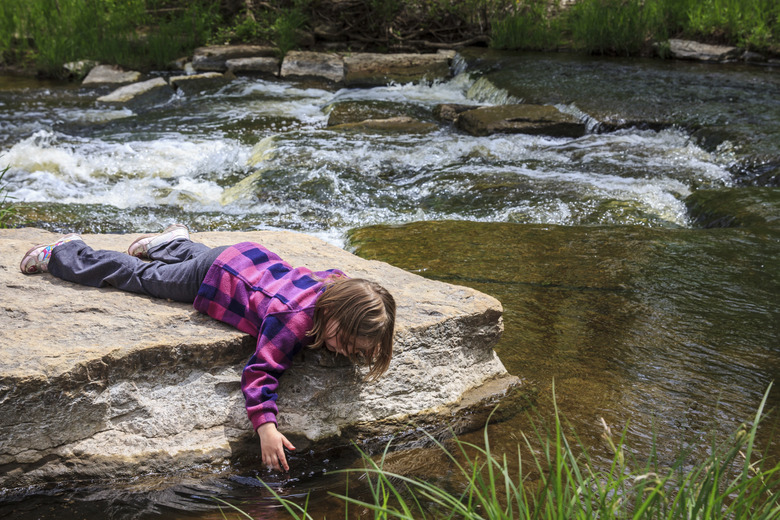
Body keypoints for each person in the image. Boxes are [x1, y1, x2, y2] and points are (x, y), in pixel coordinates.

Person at [20, 224, 396, 472]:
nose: (345, 352)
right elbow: (259, 373)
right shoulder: (292, 321)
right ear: (331, 311)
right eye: (345, 342)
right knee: (143, 277)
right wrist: (265, 427)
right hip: (216, 278)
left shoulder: (335, 287)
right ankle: (65, 252)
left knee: (196, 255)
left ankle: (168, 242)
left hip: (247, 255)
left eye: (354, 350)